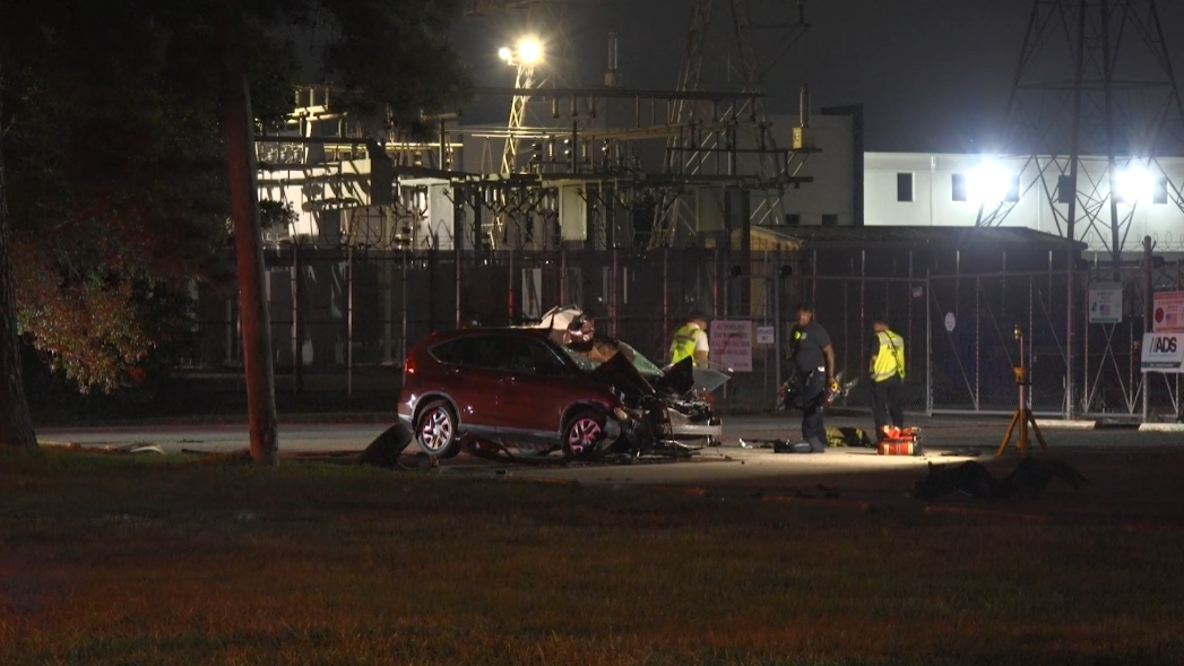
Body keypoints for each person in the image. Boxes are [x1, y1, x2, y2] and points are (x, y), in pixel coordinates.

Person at [786, 304, 836, 453]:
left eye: (804, 315)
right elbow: (794, 351)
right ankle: (820, 439)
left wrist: (830, 377)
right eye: (799, 314)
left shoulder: (817, 330)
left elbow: (829, 353)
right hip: (802, 375)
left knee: (811, 403)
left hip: (817, 373)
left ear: (810, 315)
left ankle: (808, 436)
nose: (801, 318)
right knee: (812, 405)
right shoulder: (796, 331)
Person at [869, 318, 906, 441]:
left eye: (875, 324)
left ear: (880, 324)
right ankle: (899, 435)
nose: (873, 327)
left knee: (879, 410)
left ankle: (883, 438)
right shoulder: (899, 339)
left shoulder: (878, 338)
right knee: (896, 408)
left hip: (881, 378)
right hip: (896, 377)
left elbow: (874, 357)